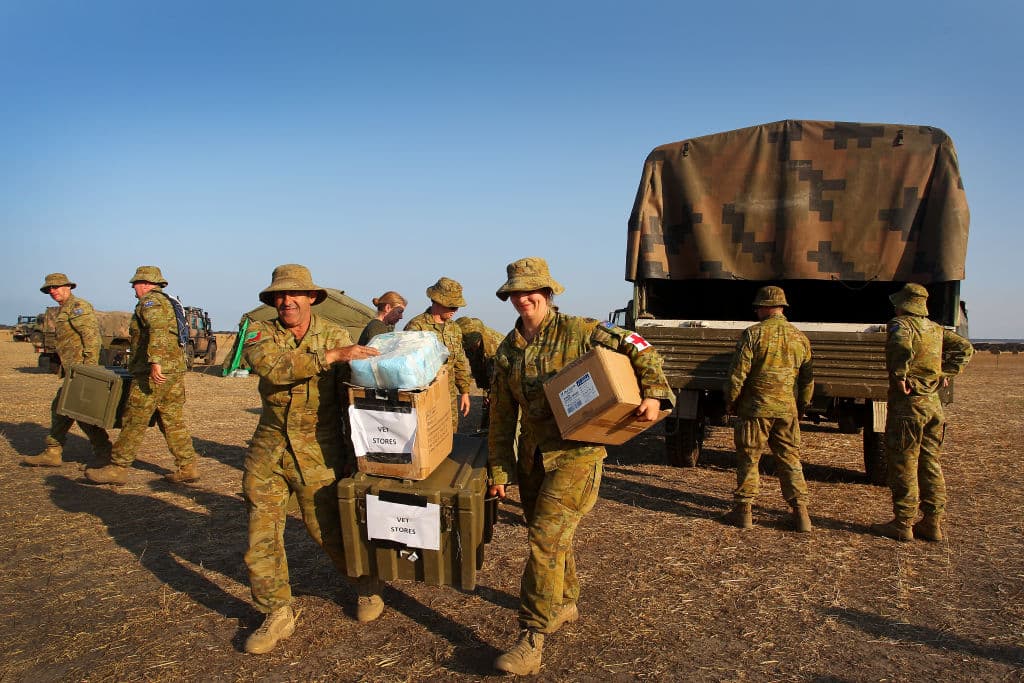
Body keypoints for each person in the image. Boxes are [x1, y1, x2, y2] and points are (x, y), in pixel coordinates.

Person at [486, 257, 674, 676]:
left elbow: (638, 345)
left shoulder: (581, 330)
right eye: (516, 292)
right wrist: (500, 472)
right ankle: (565, 601)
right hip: (533, 458)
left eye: (531, 290)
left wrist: (655, 393)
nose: (524, 298)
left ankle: (532, 635)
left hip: (577, 455)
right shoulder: (507, 350)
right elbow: (501, 417)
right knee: (554, 537)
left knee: (544, 539)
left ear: (548, 294)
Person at [237, 264, 386, 655]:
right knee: (261, 533)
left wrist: (359, 451)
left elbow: (348, 398)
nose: (286, 302)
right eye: (278, 297)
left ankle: (366, 585)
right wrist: (332, 356)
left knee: (328, 530)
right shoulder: (260, 332)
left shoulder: (335, 333)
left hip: (319, 449)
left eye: (293, 295)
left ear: (311, 298)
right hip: (269, 447)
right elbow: (271, 368)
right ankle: (276, 611)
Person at [871, 283, 973, 542]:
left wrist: (900, 375)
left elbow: (901, 347)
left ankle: (903, 523)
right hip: (933, 405)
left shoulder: (900, 325)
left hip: (909, 405)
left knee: (904, 462)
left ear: (904, 304)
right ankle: (932, 522)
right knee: (930, 463)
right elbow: (965, 348)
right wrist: (946, 372)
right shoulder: (936, 329)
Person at [85, 266, 201, 486]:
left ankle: (118, 468)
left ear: (145, 284)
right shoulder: (168, 302)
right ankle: (188, 466)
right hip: (173, 371)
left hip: (153, 373)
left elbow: (157, 330)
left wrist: (155, 361)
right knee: (171, 420)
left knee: (134, 419)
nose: (133, 289)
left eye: (135, 284)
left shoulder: (150, 303)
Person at [722, 286, 814, 532]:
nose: (756, 311)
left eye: (757, 307)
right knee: (790, 459)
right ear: (782, 308)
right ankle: (801, 514)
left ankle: (744, 512)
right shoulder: (800, 338)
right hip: (786, 411)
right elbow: (807, 379)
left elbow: (737, 374)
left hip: (755, 410)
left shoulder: (753, 335)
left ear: (764, 307)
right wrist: (803, 405)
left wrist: (731, 401)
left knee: (749, 459)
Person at [22, 273, 114, 467]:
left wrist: (88, 372)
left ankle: (104, 452)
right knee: (64, 409)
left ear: (68, 287)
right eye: (49, 289)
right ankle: (54, 451)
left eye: (55, 287)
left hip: (81, 372)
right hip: (73, 371)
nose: (52, 291)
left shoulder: (78, 307)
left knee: (77, 412)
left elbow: (91, 339)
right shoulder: (64, 310)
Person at [404, 277, 472, 432]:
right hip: (426, 396)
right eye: (452, 305)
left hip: (448, 396)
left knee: (450, 435)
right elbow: (408, 366)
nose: (456, 309)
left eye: (457, 306)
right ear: (437, 301)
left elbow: (459, 361)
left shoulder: (454, 328)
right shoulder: (416, 326)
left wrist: (465, 392)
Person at [455, 316, 504, 431]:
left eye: (475, 343)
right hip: (489, 377)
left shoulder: (496, 348)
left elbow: (500, 379)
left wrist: (491, 395)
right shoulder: (471, 340)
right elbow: (480, 370)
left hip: (502, 381)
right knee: (488, 408)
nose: (472, 346)